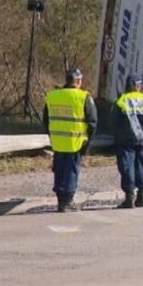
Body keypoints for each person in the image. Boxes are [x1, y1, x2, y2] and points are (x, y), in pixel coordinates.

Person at [44, 68, 97, 212]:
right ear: (79, 81)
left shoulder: (52, 95)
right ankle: (67, 202)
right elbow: (92, 122)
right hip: (75, 142)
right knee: (71, 171)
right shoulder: (84, 97)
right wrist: (88, 142)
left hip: (57, 141)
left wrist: (52, 136)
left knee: (59, 170)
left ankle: (61, 201)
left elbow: (45, 120)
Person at [112, 74, 143, 208]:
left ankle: (129, 198)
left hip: (126, 140)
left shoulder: (122, 100)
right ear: (138, 86)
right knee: (142, 166)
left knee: (127, 167)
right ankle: (141, 196)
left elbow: (113, 119)